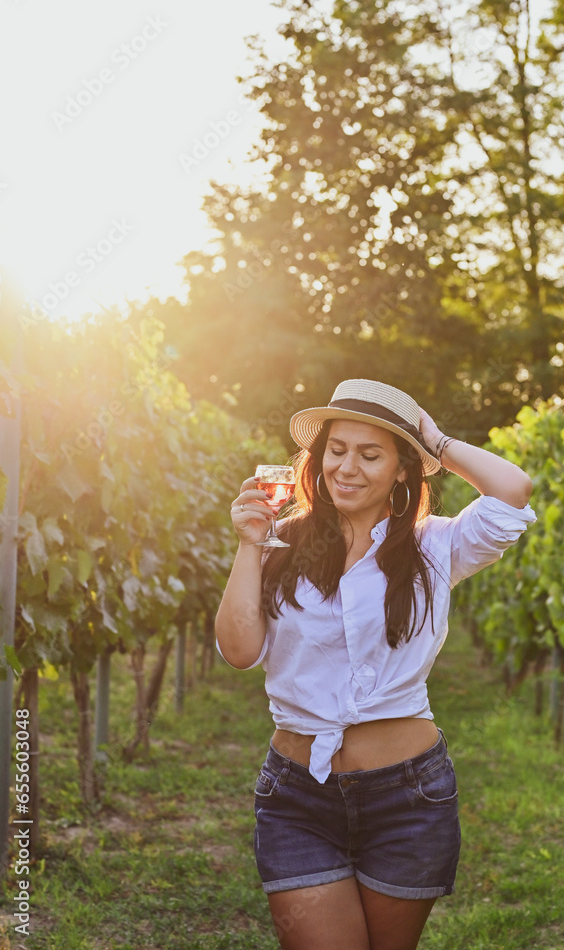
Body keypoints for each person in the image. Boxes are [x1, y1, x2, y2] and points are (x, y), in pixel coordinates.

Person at [215, 378, 536, 950]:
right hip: (298, 797)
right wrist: (248, 544)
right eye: (336, 451)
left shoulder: (435, 547)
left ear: (402, 470)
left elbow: (513, 490)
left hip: (408, 797)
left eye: (370, 454)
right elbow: (239, 652)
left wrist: (433, 441)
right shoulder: (278, 543)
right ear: (318, 459)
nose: (347, 468)